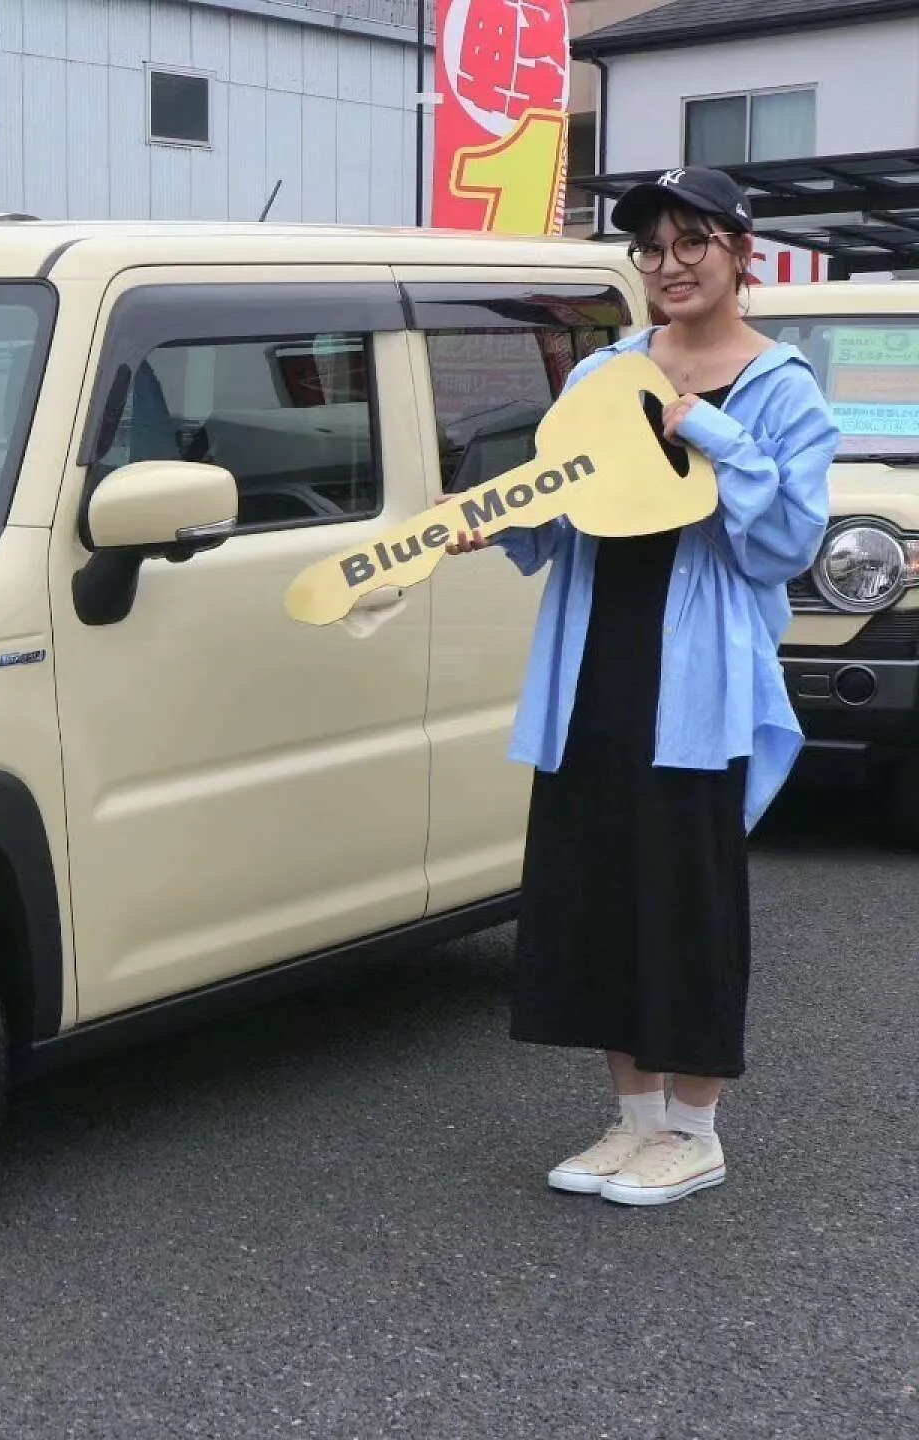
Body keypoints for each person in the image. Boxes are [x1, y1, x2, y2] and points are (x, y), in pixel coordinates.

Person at [445, 166, 840, 1207]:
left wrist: (706, 428)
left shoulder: (782, 388)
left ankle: (695, 1130)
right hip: (594, 663)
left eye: (692, 242)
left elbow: (784, 545)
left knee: (687, 896)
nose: (669, 265)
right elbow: (561, 502)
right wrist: (497, 519)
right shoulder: (606, 370)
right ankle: (633, 1120)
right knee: (597, 886)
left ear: (740, 253)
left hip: (699, 680)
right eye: (652, 248)